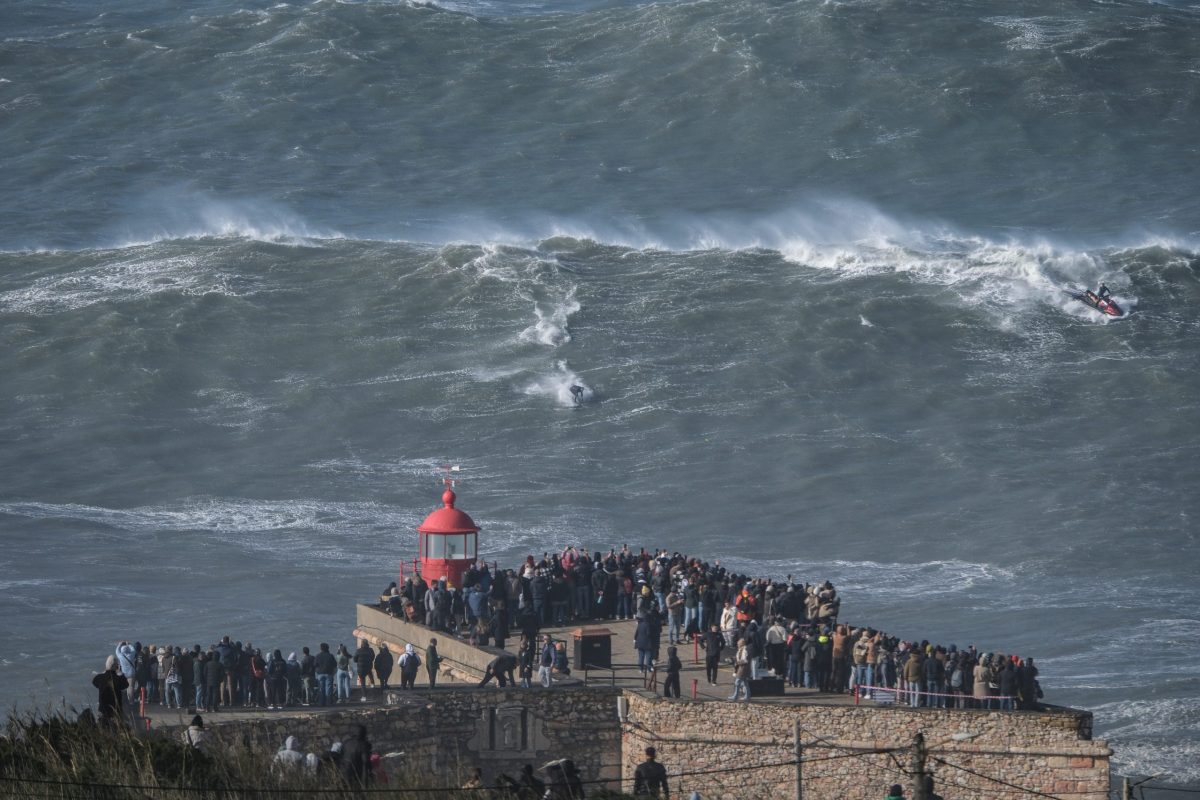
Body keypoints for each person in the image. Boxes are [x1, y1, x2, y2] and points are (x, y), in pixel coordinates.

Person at [92, 655, 129, 726]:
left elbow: (94, 682)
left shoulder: (100, 678)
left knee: (103, 728)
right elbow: (126, 684)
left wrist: (105, 671)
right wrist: (120, 672)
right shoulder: (119, 679)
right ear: (116, 667)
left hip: (103, 710)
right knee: (118, 728)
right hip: (116, 710)